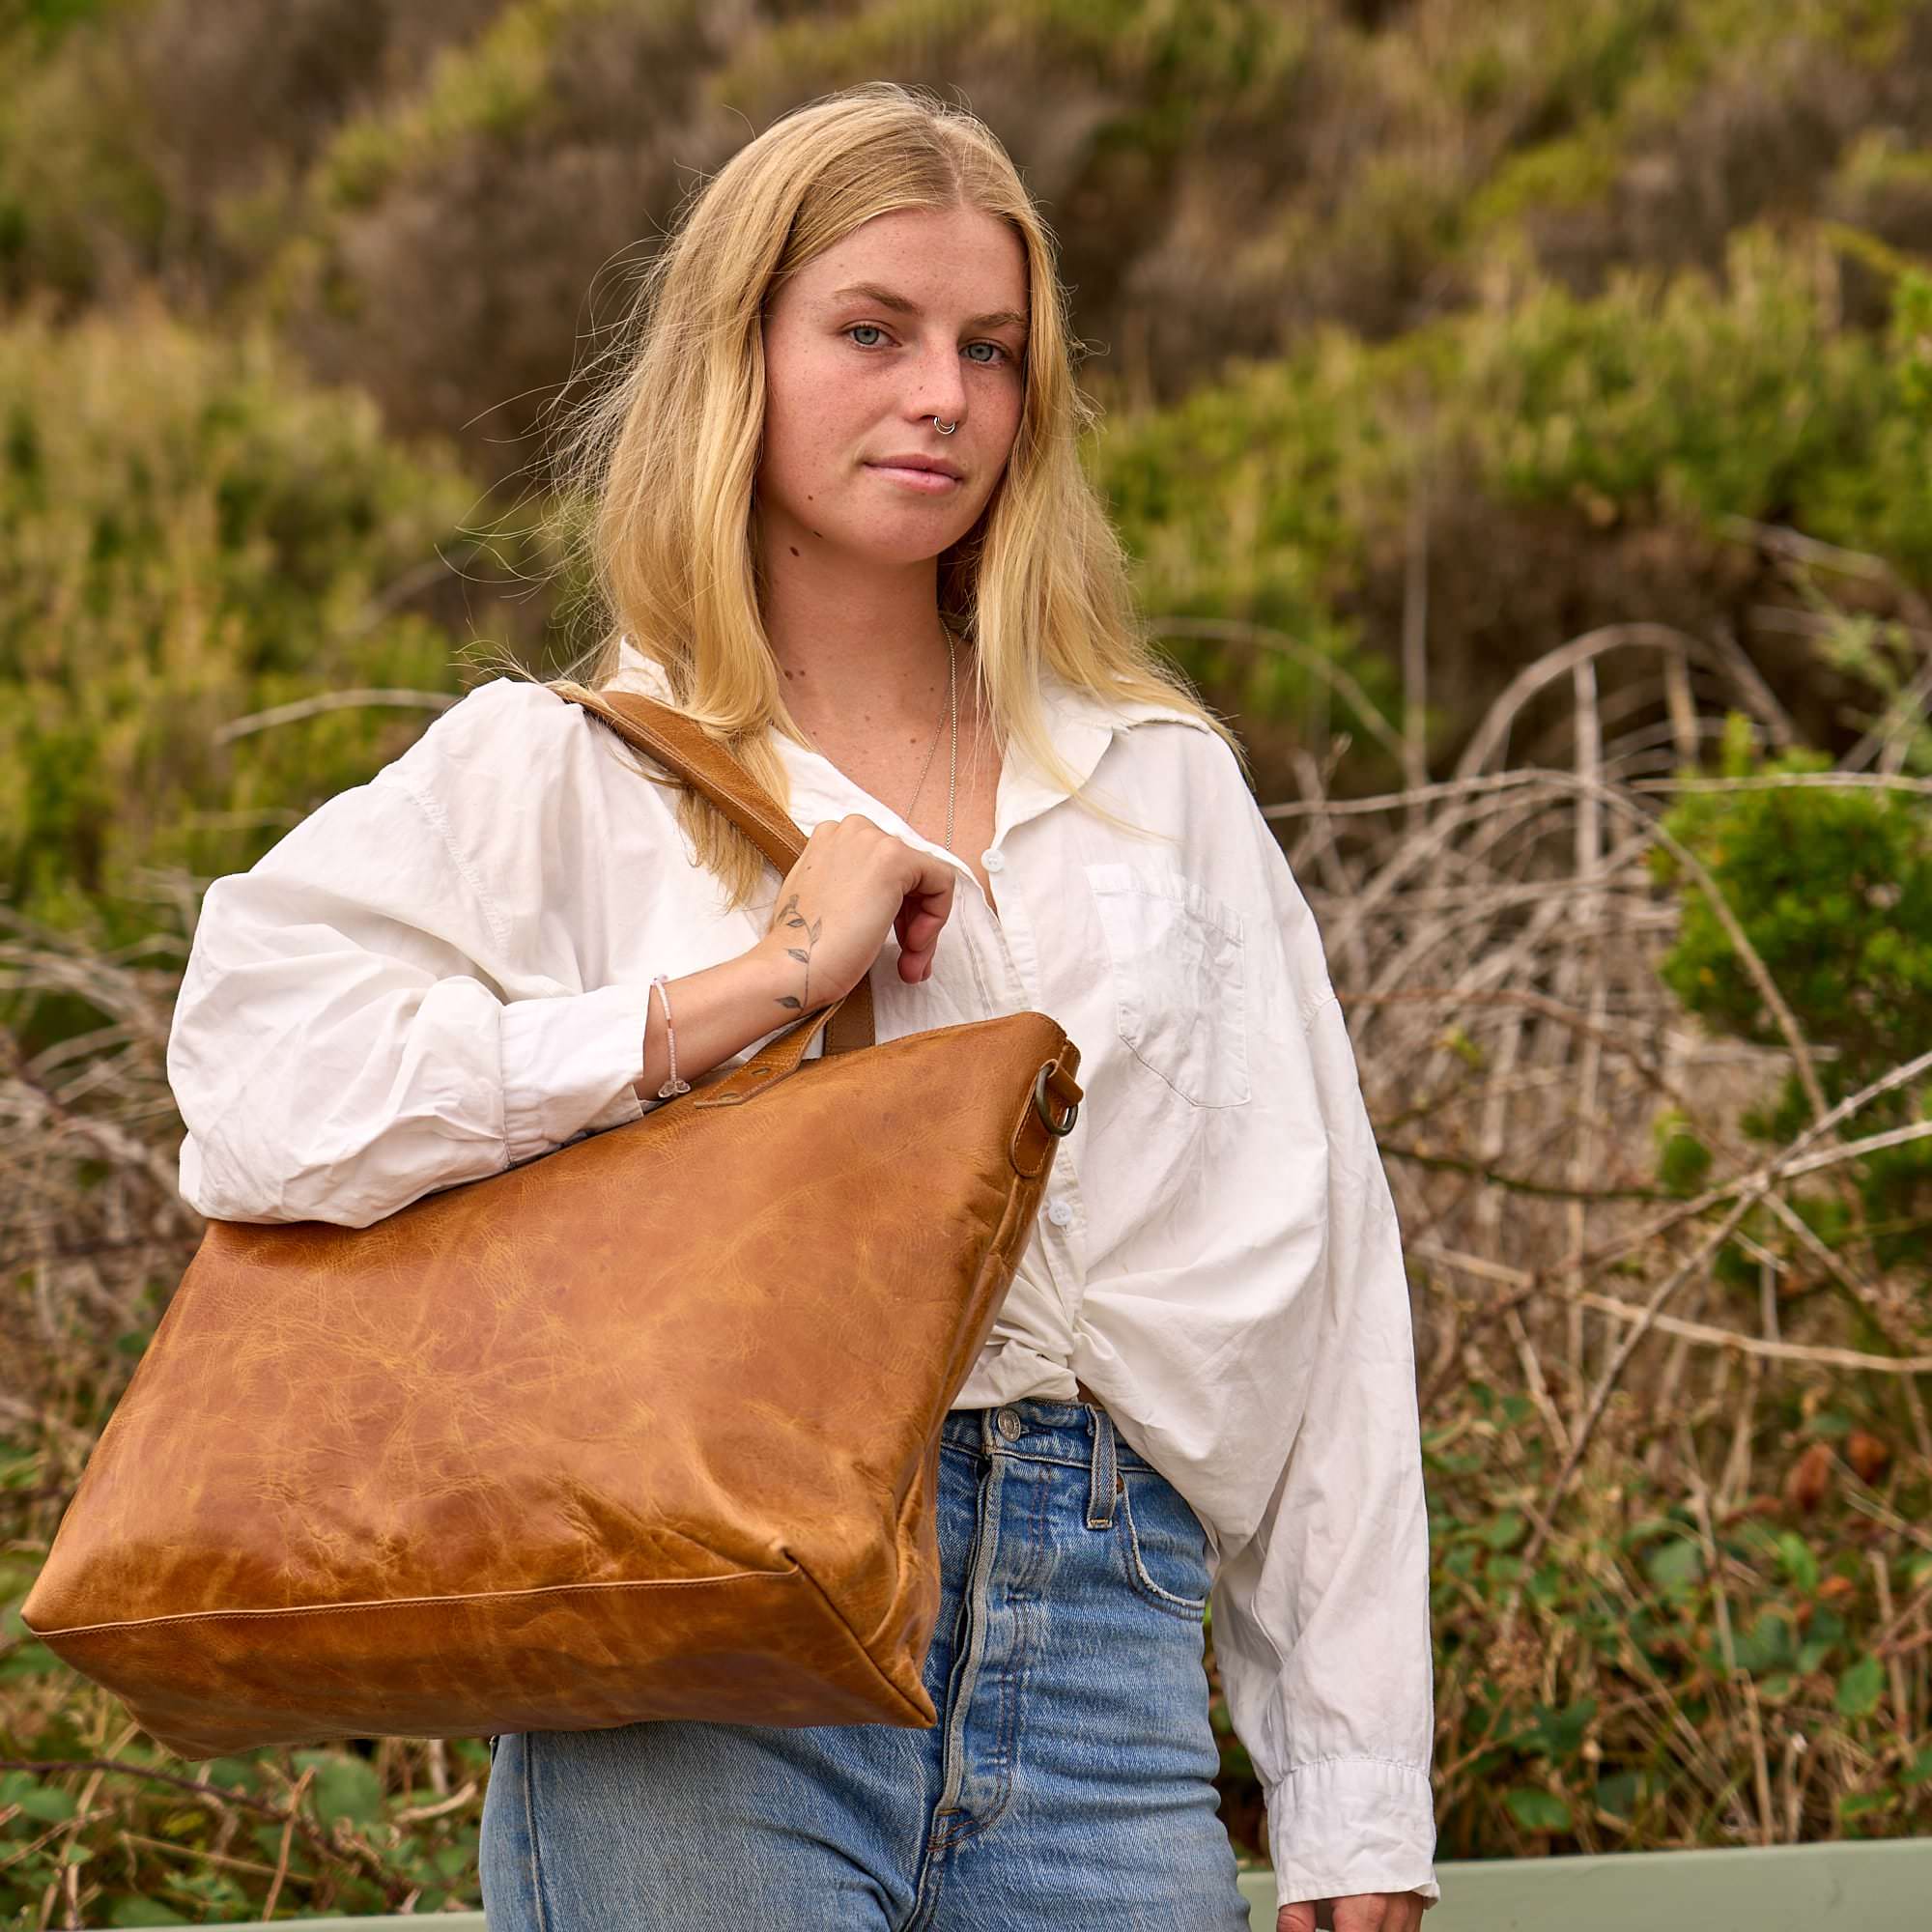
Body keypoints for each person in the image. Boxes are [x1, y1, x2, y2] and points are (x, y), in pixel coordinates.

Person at [165, 80, 1438, 1932]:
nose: (944, 395)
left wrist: (1350, 1790)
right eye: (872, 331)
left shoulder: (1159, 789)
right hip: (695, 1668)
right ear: (734, 365)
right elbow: (254, 1093)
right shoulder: (561, 773)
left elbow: (1325, 1303)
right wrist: (750, 988)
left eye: (990, 350)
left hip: (1108, 1663)